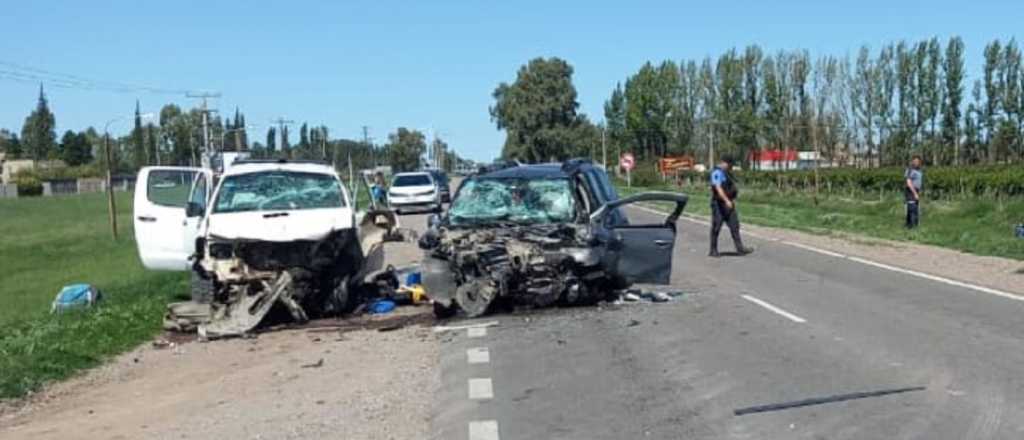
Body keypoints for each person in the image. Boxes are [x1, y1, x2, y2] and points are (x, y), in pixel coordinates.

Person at [709, 156, 753, 257]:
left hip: (728, 203)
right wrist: (726, 200)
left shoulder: (726, 173)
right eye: (730, 165)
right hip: (719, 204)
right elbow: (718, 188)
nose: (730, 167)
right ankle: (713, 250)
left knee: (735, 225)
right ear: (724, 163)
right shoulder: (717, 172)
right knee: (716, 227)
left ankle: (740, 248)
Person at [904, 156, 923, 229]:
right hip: (911, 191)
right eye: (915, 161)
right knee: (912, 209)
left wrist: (918, 192)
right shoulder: (910, 170)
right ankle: (911, 226)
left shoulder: (919, 171)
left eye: (918, 161)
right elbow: (908, 182)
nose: (916, 163)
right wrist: (915, 193)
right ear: (912, 162)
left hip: (916, 190)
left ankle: (910, 225)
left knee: (915, 209)